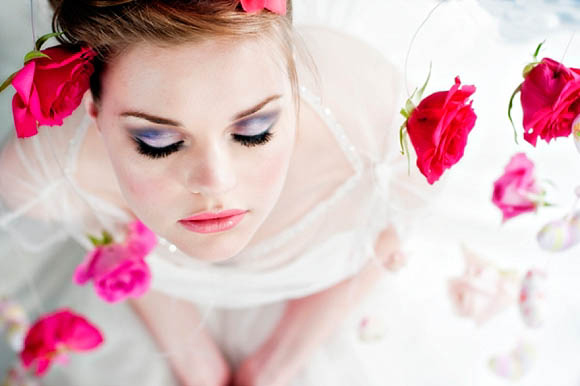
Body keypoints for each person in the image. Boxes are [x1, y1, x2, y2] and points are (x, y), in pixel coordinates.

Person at [0, 1, 432, 385]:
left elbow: (393, 228)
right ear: (94, 112)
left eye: (254, 131)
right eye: (157, 142)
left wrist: (275, 366)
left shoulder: (376, 127)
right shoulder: (51, 169)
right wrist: (194, 363)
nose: (215, 183)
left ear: (293, 89)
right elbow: (105, 228)